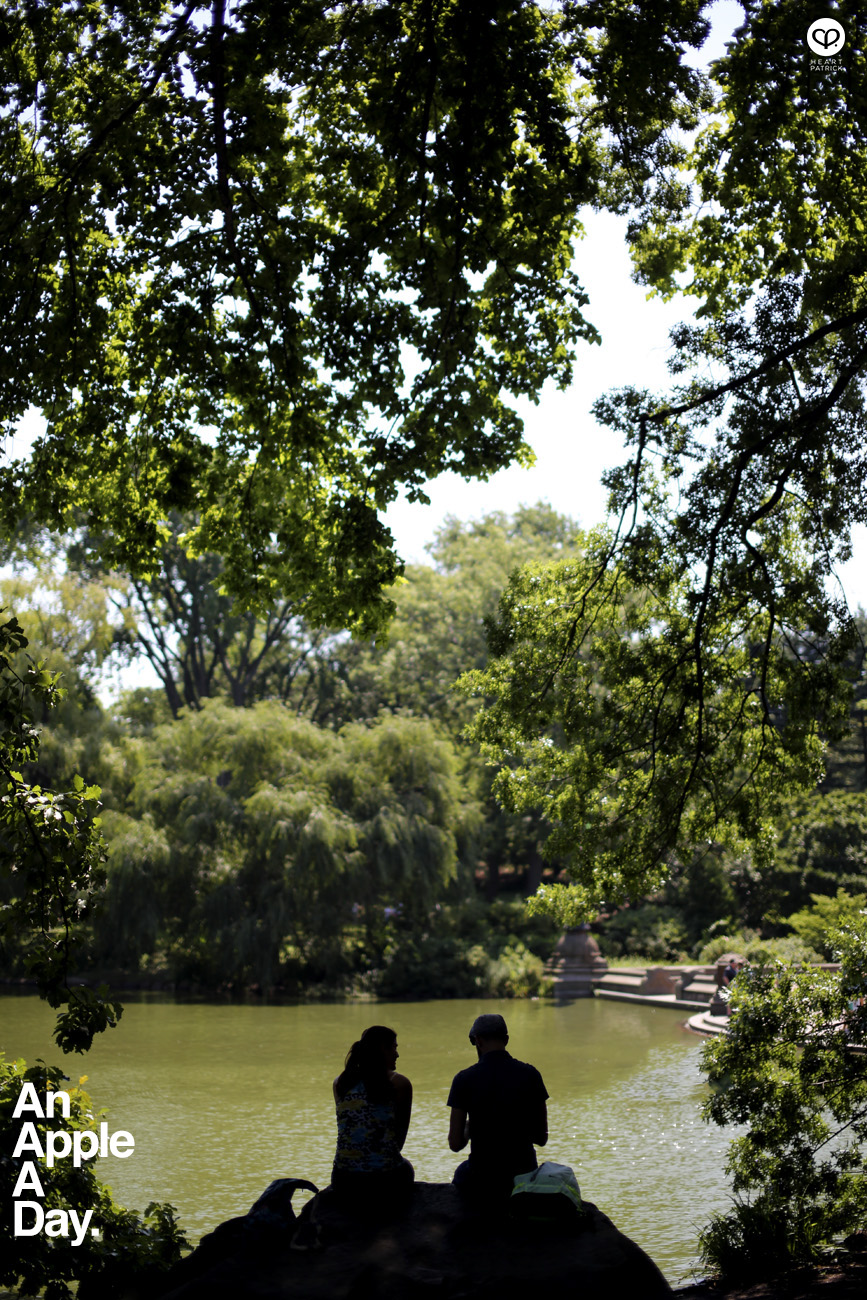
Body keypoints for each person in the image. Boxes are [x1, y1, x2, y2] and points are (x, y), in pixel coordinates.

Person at [447, 1013, 548, 1206]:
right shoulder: (531, 1074)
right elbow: (542, 1139)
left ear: (477, 1041)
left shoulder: (463, 1079)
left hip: (482, 1176)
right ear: (507, 1040)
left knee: (462, 1172)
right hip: (523, 1175)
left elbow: (455, 1143)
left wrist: (469, 1130)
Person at [331, 1025, 414, 1209]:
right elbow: (397, 1143)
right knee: (406, 1167)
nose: (397, 1054)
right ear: (381, 1049)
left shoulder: (341, 1083)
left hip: (342, 1179)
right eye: (393, 1047)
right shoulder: (399, 1084)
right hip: (383, 1179)